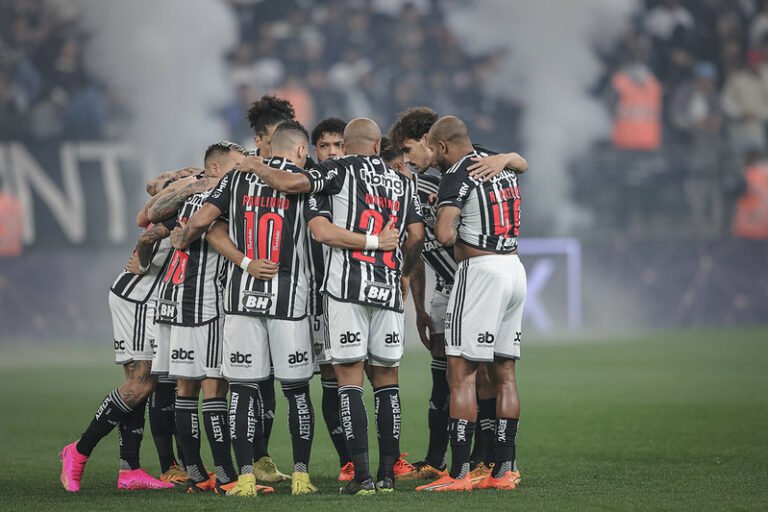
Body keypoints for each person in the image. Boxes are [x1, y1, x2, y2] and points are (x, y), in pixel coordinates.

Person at [238, 118, 425, 495]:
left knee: (349, 378)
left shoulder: (335, 171)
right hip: (388, 290)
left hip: (347, 289)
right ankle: (388, 476)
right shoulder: (402, 180)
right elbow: (417, 235)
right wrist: (402, 274)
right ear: (377, 146)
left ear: (349, 145)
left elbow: (318, 228)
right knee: (387, 380)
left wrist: (256, 164)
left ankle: (362, 477)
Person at [170, 121, 320, 496]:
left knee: (242, 390)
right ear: (301, 150)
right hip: (289, 298)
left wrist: (236, 257)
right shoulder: (308, 176)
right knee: (296, 391)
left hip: (241, 297)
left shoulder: (235, 178)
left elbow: (204, 221)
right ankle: (301, 476)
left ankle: (246, 478)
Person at [387, 106, 527, 483]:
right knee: (504, 373)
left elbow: (445, 235)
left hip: (479, 275)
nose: (411, 161)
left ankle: (463, 470)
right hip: (513, 267)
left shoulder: (450, 176)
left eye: (413, 150)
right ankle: (504, 468)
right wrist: (508, 157)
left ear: (436, 144)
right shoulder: (493, 162)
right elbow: (522, 163)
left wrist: (450, 224)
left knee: (462, 373)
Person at [152, 141, 247, 494]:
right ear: (218, 170)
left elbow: (151, 218)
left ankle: (196, 475)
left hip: (178, 299)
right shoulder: (216, 202)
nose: (245, 170)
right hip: (202, 302)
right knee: (213, 387)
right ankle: (224, 478)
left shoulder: (191, 200)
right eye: (238, 165)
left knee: (185, 389)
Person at [60, 217, 179, 492]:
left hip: (142, 298)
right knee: (143, 383)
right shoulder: (194, 197)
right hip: (139, 299)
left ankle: (130, 470)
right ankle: (78, 451)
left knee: (139, 385)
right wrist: (145, 262)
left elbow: (147, 209)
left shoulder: (190, 191)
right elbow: (147, 235)